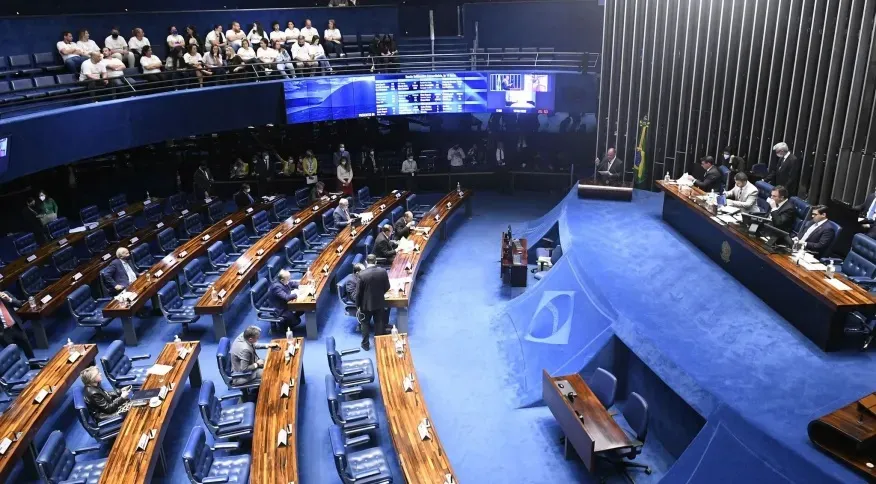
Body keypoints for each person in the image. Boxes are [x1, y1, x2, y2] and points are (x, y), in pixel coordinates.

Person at [356, 254, 391, 350]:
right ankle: (379, 344)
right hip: (379, 302)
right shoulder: (383, 272)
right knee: (379, 322)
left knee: (365, 323)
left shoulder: (361, 274)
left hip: (365, 304)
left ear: (366, 262)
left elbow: (358, 293)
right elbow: (387, 287)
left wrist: (358, 305)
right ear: (376, 261)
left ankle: (365, 345)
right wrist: (380, 294)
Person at [0, 290, 36, 358]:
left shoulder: (6, 294)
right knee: (12, 354)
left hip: (16, 327)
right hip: (5, 332)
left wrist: (9, 299)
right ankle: (19, 367)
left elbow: (19, 304)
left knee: (27, 347)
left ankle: (34, 364)